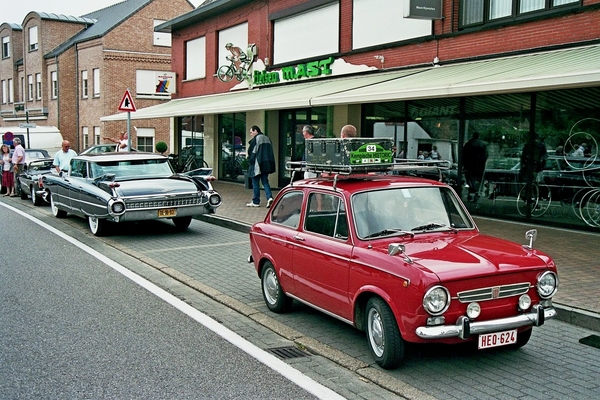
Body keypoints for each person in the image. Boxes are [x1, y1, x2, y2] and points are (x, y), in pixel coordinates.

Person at [246, 125, 275, 208]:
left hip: (257, 164)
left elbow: (253, 152)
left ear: (256, 131)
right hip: (267, 164)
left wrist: (250, 161)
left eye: (251, 132)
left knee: (255, 182)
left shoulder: (256, 139)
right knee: (265, 182)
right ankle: (269, 197)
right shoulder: (267, 138)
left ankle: (256, 201)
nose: (251, 134)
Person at [462, 132, 488, 202]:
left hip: (469, 165)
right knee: (478, 181)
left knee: (470, 180)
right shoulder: (483, 145)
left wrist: (464, 165)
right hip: (480, 166)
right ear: (478, 136)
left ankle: (471, 193)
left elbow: (463, 155)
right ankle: (476, 193)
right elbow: (485, 156)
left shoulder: (468, 144)